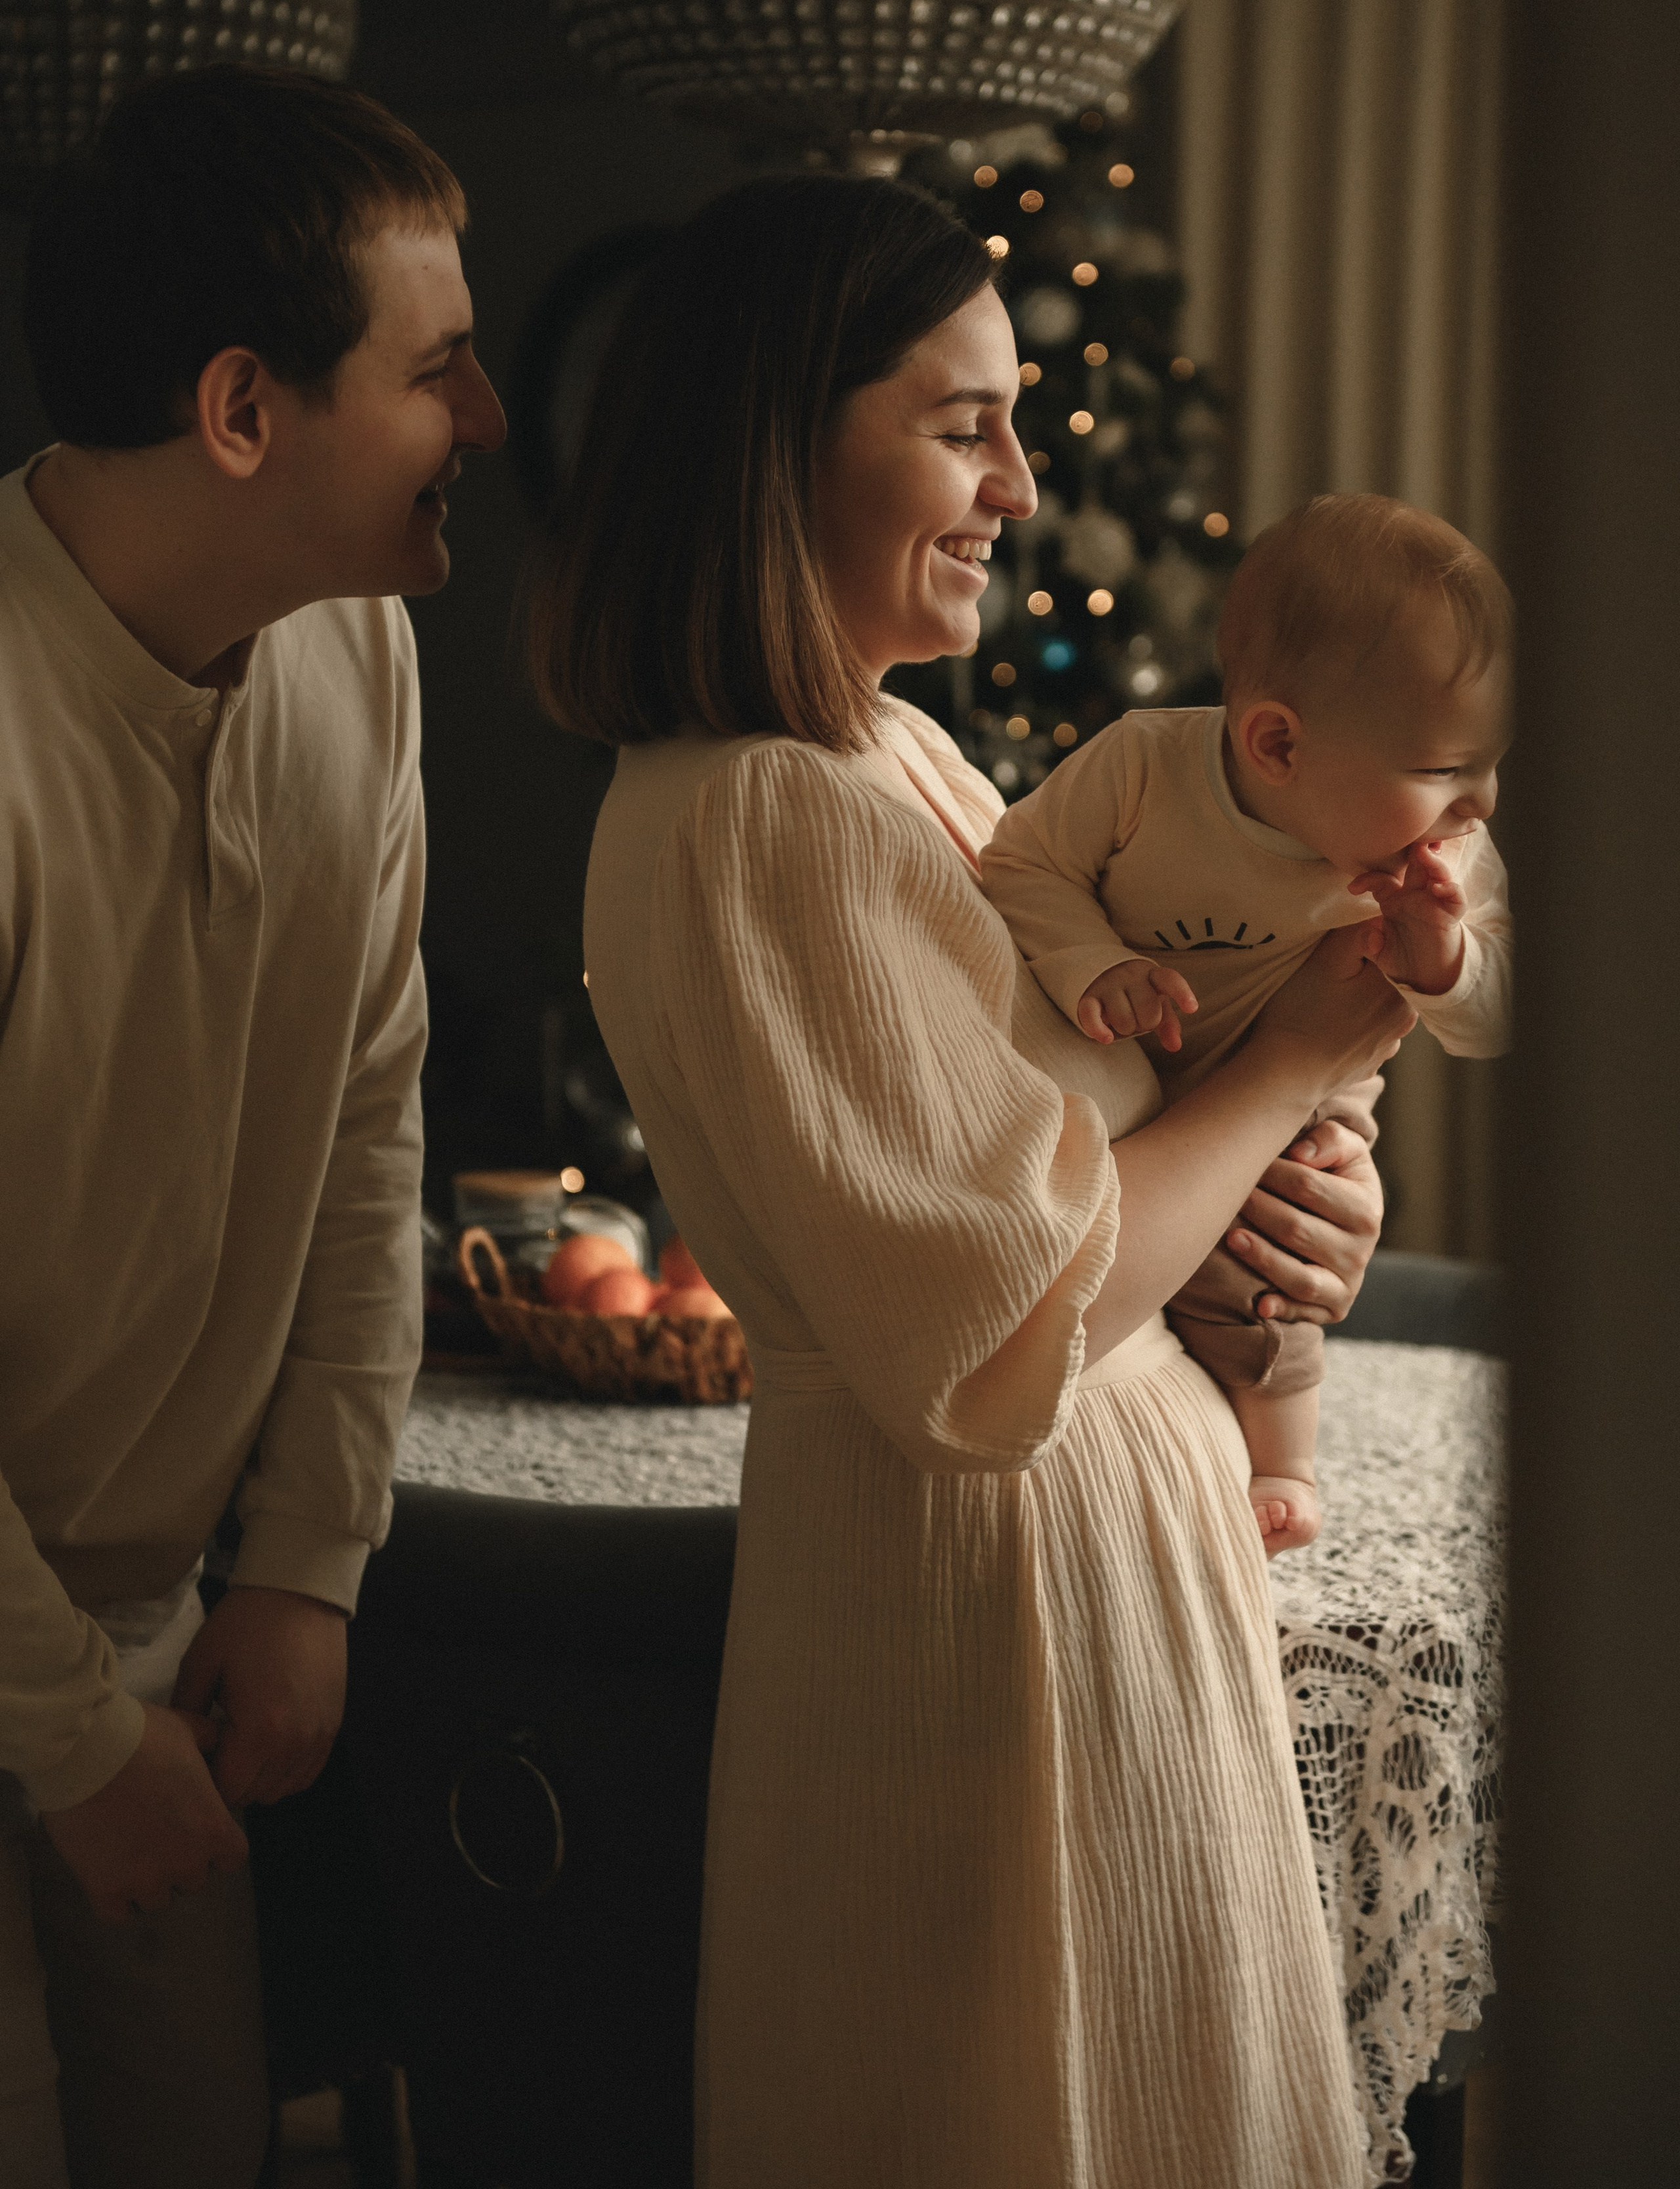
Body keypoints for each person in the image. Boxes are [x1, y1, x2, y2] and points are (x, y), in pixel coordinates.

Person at [531, 171, 1412, 2189]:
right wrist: (1293, 1066)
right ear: (772, 445)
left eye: (1015, 421)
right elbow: (1008, 1327)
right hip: (993, 1632)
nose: (1021, 481)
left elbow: (1104, 1163)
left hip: (1082, 1595)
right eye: (959, 424)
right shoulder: (762, 812)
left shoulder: (892, 763)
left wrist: (1291, 1215)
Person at [0, 64, 504, 2188]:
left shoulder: (361, 655)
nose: (483, 420)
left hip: (157, 1629)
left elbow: (371, 1113)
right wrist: (72, 1737)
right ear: (241, 408)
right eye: (440, 367)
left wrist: (309, 1557)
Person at [982, 492, 1513, 1552]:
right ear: (1277, 745)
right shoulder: (1141, 772)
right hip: (1133, 1113)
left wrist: (1445, 960)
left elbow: (1493, 1020)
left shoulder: (1440, 867)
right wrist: (1099, 962)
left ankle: (1283, 1460)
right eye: (1443, 771)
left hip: (1294, 1131)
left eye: (1489, 765)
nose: (1481, 804)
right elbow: (1021, 863)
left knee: (1271, 1274)